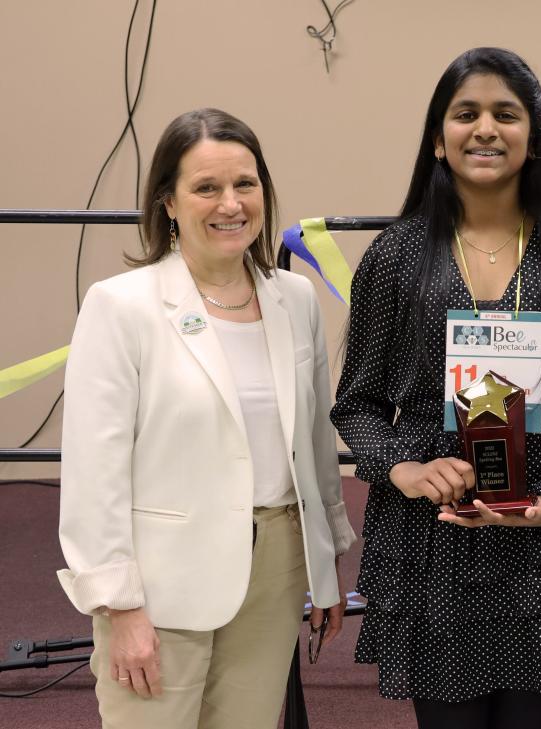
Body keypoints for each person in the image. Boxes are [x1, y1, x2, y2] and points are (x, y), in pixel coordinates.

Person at [331, 47, 541, 729]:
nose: (487, 129)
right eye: (466, 114)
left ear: (534, 139)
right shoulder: (396, 256)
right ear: (438, 140)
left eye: (507, 114)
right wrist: (404, 469)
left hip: (539, 543)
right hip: (429, 540)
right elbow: (358, 403)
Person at [57, 108, 356, 729]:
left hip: (274, 570)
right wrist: (120, 608)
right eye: (206, 188)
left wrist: (323, 567)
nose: (231, 204)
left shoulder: (293, 300)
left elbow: (313, 446)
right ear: (168, 201)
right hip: (162, 582)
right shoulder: (121, 307)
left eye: (245, 185)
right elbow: (95, 470)